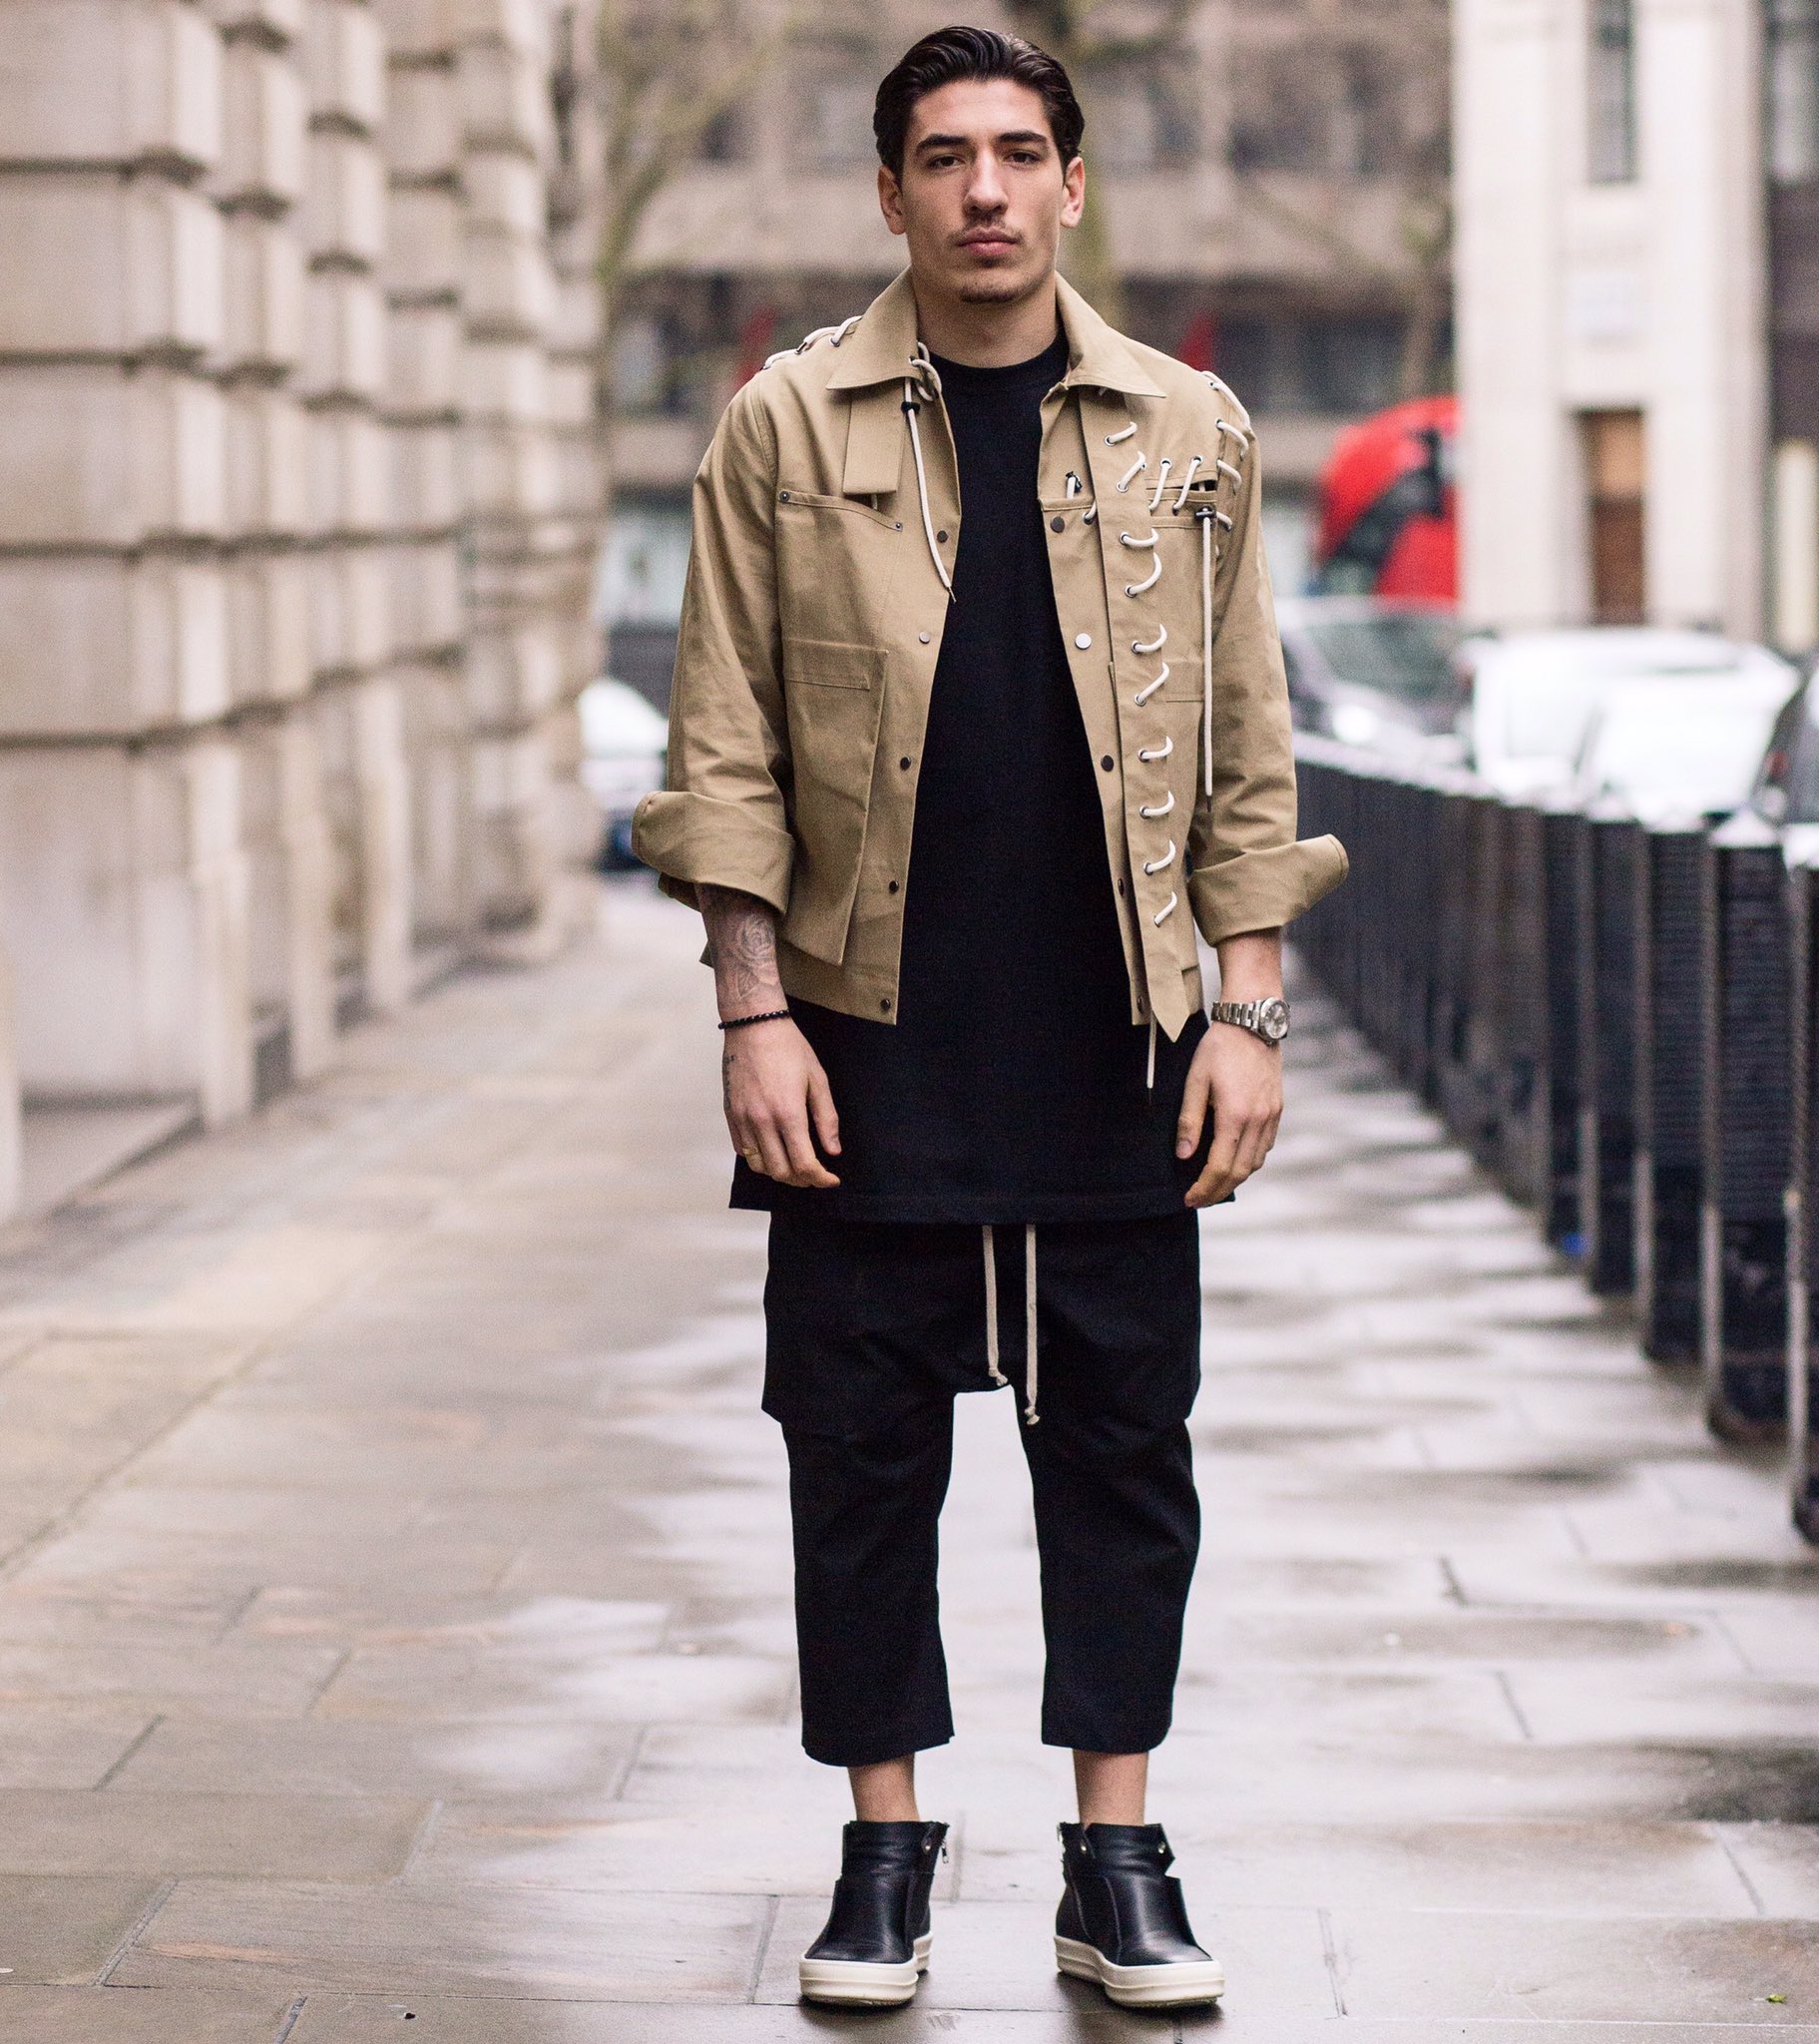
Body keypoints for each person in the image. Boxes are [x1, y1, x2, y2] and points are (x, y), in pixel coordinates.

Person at [632, 23, 1345, 2013]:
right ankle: (881, 1851)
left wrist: (1249, 1009)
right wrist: (748, 1012)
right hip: (864, 1039)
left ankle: (1116, 1854)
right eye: (942, 155)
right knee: (857, 1454)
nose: (983, 189)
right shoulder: (782, 427)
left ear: (1073, 181)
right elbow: (725, 750)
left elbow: (1246, 757)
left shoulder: (1187, 428)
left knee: (1123, 1447)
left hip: (1117, 1042)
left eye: (1020, 151)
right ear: (889, 192)